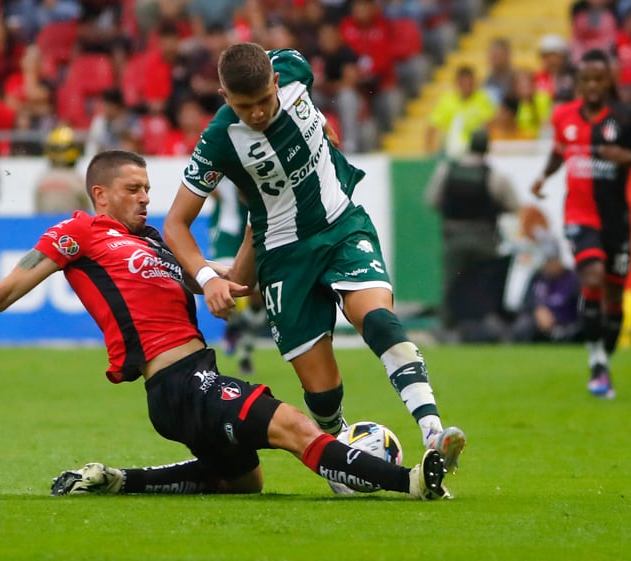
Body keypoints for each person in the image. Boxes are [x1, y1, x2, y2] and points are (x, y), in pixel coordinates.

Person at [0, 150, 450, 500]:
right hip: (178, 382)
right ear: (101, 193)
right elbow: (3, 292)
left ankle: (120, 479)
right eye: (133, 189)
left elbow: (232, 284)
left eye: (149, 189)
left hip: (192, 383)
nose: (146, 199)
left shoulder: (154, 243)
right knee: (296, 426)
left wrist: (259, 222)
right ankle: (412, 483)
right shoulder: (78, 233)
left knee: (244, 482)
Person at [163, 43, 466, 474]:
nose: (257, 114)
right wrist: (209, 277)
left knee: (377, 318)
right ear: (224, 97)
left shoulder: (292, 66)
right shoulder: (218, 140)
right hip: (284, 257)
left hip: (341, 225)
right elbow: (176, 223)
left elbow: (303, 93)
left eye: (265, 100)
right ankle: (343, 454)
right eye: (244, 106)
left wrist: (321, 122)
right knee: (322, 391)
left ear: (276, 80)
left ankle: (433, 431)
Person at [530, 49, 631, 399]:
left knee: (615, 295)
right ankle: (597, 360)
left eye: (598, 79)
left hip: (616, 219)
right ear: (578, 82)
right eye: (585, 79)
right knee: (593, 276)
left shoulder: (628, 117)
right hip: (580, 215)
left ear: (609, 80)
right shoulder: (564, 116)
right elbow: (559, 151)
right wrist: (543, 176)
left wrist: (626, 156)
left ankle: (605, 354)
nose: (591, 86)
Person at [425, 128, 521, 339]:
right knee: (485, 284)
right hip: (485, 238)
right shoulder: (494, 176)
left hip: (454, 237)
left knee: (450, 283)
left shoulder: (447, 170)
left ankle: (446, 328)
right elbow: (513, 205)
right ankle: (486, 327)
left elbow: (432, 200)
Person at [207, 176, 265, 375]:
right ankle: (234, 323)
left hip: (254, 230)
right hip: (226, 234)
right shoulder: (218, 153)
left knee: (258, 298)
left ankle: (245, 352)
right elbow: (203, 184)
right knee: (231, 284)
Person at [511, 238, 583, 344]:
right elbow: (526, 304)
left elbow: (580, 308)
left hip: (565, 326)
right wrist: (538, 311)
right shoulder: (537, 278)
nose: (548, 265)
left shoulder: (573, 279)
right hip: (539, 328)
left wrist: (556, 318)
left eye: (550, 260)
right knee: (522, 325)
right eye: (545, 261)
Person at [34, 125, 92, 214]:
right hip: (72, 225)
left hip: (49, 226)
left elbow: (38, 211)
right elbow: (88, 210)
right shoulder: (78, 179)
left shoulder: (42, 179)